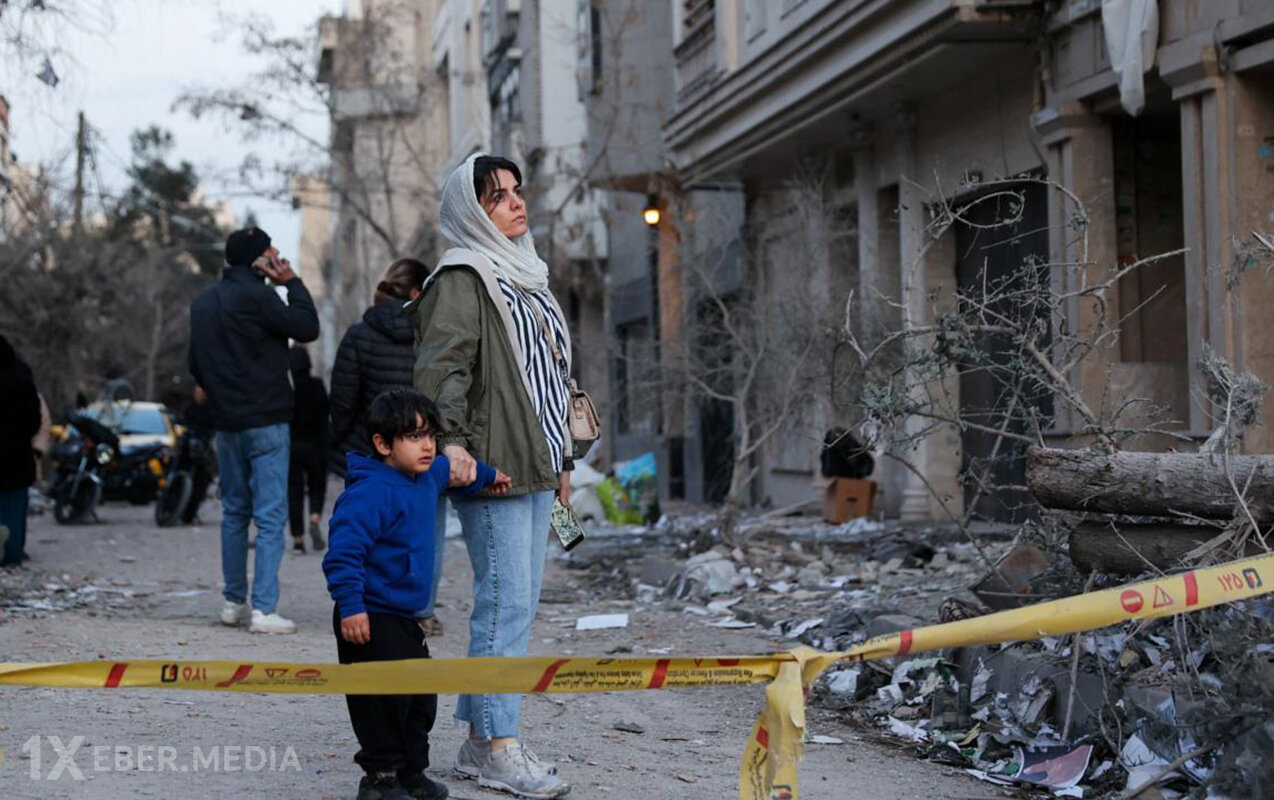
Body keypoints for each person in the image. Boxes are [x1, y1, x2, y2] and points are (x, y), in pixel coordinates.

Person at [412, 154, 576, 799]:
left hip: (537, 461)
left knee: (518, 604)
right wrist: (450, 446)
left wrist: (561, 463)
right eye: (496, 196)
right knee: (503, 604)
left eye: (515, 191)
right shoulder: (462, 276)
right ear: (470, 213)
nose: (514, 203)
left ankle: (481, 737)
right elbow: (441, 372)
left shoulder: (526, 274)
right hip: (494, 463)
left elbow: (547, 378)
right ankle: (496, 746)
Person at [323, 388, 510, 800]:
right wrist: (352, 606)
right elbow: (343, 554)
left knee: (419, 698)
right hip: (369, 615)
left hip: (406, 616)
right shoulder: (369, 493)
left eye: (429, 435)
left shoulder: (426, 476)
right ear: (383, 444)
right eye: (413, 437)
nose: (426, 445)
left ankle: (411, 773)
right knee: (383, 703)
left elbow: (455, 471)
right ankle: (380, 780)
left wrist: (489, 476)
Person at [189, 227, 319, 635]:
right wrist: (293, 283)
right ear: (255, 260)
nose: (277, 253)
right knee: (270, 515)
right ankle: (264, 609)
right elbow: (306, 327)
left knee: (234, 513)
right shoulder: (260, 296)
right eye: (269, 250)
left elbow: (196, 363)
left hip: (226, 424)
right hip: (266, 422)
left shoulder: (204, 302)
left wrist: (220, 396)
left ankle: (232, 603)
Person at [329, 258, 449, 635]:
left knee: (365, 531)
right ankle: (420, 609)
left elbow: (344, 399)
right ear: (418, 293)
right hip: (425, 451)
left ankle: (368, 601)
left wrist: (340, 445)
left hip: (373, 452)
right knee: (424, 531)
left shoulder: (359, 334)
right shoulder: (431, 335)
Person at [0, 335, 42, 568]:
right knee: (15, 507)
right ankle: (13, 553)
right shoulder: (23, 379)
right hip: (18, 455)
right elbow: (34, 420)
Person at [288, 346, 330, 554]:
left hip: (292, 447)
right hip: (316, 445)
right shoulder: (317, 385)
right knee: (317, 485)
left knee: (294, 492)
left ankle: (297, 540)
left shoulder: (287, 389)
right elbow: (325, 414)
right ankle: (314, 517)